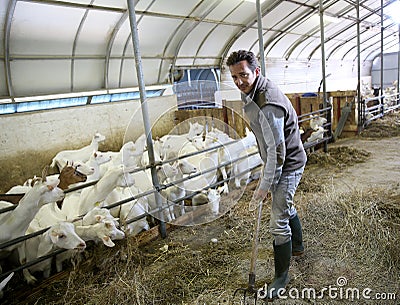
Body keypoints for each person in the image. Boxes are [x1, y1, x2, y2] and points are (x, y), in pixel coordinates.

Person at [226, 50, 307, 300]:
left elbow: (278, 151)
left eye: (243, 75)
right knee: (284, 206)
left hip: (289, 163)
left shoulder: (267, 102)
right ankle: (298, 247)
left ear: (256, 72)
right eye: (234, 77)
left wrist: (264, 185)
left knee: (277, 221)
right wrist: (267, 174)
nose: (239, 81)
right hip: (276, 161)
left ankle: (281, 276)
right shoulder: (252, 93)